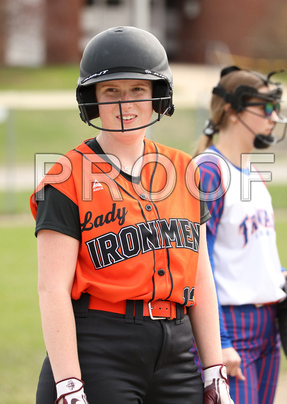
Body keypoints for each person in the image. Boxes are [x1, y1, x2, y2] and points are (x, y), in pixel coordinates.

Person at [30, 26, 234, 404]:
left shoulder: (185, 170)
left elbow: (201, 279)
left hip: (177, 351)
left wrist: (213, 369)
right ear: (92, 100)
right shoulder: (65, 177)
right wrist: (69, 385)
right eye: (111, 91)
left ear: (157, 95)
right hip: (100, 350)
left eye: (138, 89)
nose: (126, 104)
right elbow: (52, 289)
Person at [191, 65, 287, 403]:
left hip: (268, 324)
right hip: (232, 324)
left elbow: (251, 255)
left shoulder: (252, 172)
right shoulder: (209, 170)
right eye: (264, 107)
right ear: (232, 111)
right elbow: (200, 263)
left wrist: (283, 278)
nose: (273, 116)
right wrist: (220, 340)